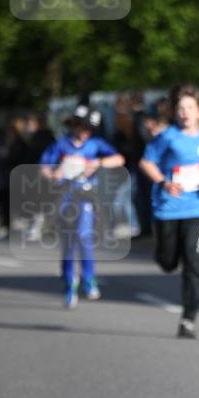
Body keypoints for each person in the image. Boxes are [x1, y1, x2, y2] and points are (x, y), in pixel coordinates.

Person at [139, 85, 199, 339]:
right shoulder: (167, 136)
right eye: (180, 108)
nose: (184, 113)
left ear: (198, 112)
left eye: (189, 108)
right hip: (168, 209)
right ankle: (164, 254)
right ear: (175, 112)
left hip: (195, 209)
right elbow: (146, 162)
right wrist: (163, 182)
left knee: (193, 264)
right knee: (168, 262)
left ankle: (189, 319)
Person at [40, 113, 125, 308]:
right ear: (74, 127)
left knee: (84, 236)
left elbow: (119, 158)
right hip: (64, 197)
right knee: (69, 240)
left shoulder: (95, 144)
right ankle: (69, 282)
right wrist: (54, 173)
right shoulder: (61, 145)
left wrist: (98, 163)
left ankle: (89, 278)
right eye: (82, 128)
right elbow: (44, 166)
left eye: (89, 129)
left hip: (85, 196)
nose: (86, 132)